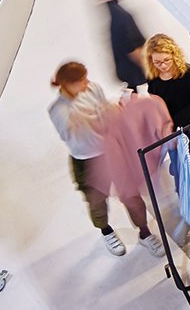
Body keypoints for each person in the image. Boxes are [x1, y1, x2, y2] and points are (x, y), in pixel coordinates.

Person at [48, 61, 160, 256]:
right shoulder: (58, 110)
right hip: (86, 160)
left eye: (86, 78)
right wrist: (88, 119)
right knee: (97, 201)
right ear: (68, 84)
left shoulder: (92, 89)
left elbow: (106, 112)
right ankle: (106, 230)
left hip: (111, 151)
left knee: (131, 195)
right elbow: (69, 135)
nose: (87, 83)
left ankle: (144, 232)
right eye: (81, 81)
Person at [100, 0, 147, 91]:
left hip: (128, 70)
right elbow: (131, 48)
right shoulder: (119, 15)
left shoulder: (113, 8)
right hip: (134, 70)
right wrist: (150, 67)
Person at [143, 34, 190, 130]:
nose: (163, 66)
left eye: (166, 60)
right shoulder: (153, 79)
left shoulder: (189, 73)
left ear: (174, 55)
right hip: (171, 130)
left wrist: (172, 123)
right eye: (157, 62)